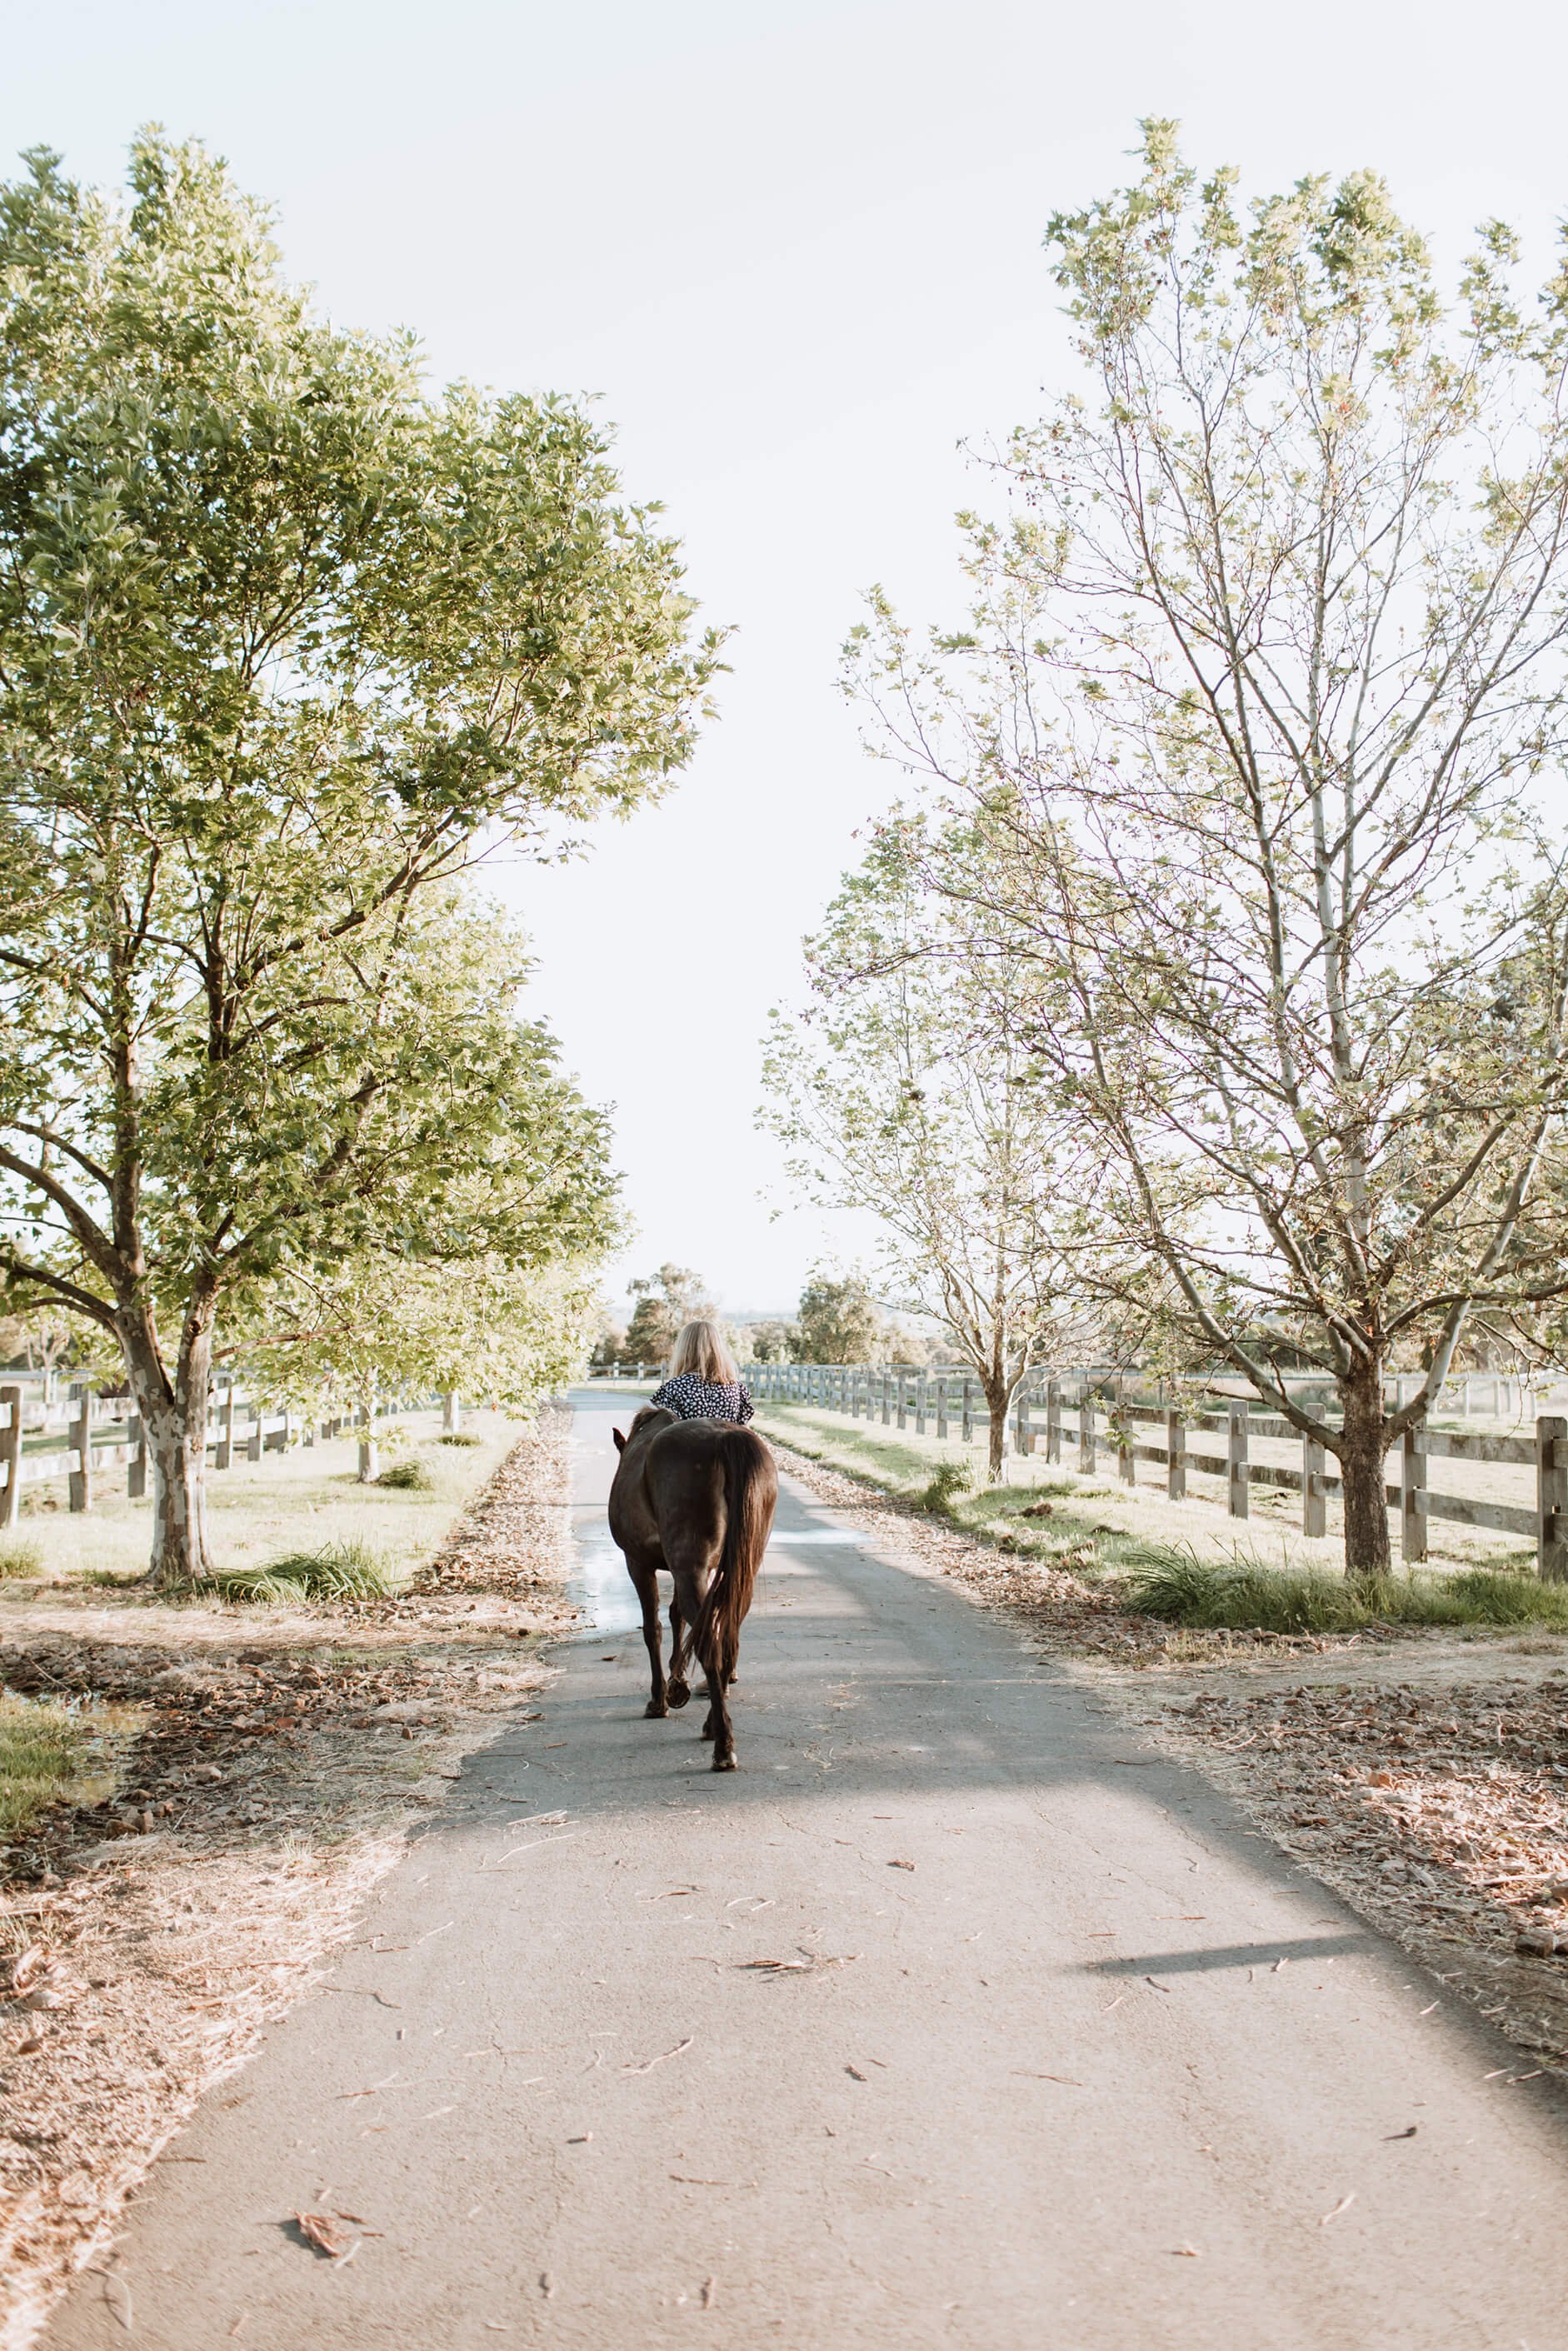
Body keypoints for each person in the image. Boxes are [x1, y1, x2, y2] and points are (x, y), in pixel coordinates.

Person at [649, 1320, 754, 1425]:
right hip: (729, 1442)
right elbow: (743, 1431)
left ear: (684, 1350)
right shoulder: (736, 1388)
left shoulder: (675, 1387)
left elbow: (665, 1433)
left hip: (690, 1442)